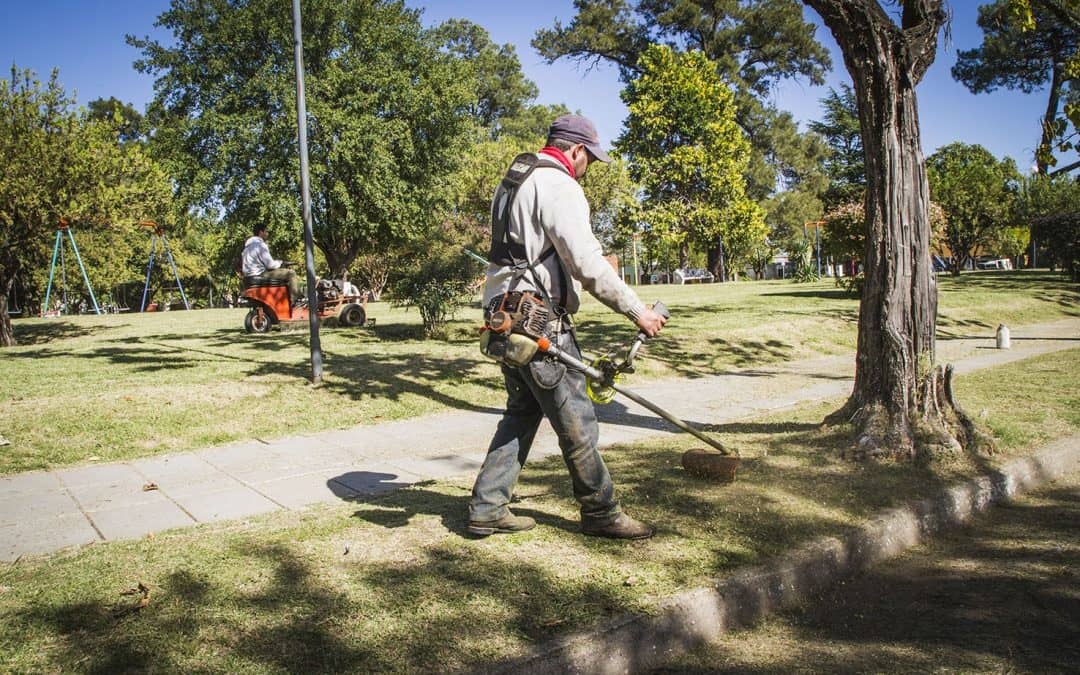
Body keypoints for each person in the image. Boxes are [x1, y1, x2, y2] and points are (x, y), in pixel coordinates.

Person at [468, 114, 667, 540]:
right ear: (575, 149)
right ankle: (600, 511)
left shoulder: (515, 179)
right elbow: (587, 263)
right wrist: (638, 312)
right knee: (578, 419)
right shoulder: (559, 185)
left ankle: (487, 506)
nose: (588, 168)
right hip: (539, 322)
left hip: (504, 316)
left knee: (521, 412)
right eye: (589, 159)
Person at [241, 224, 302, 305]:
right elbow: (270, 265)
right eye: (266, 231)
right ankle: (295, 301)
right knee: (291, 273)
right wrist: (280, 263)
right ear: (260, 232)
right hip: (260, 274)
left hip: (249, 276)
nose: (267, 234)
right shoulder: (260, 245)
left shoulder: (247, 247)